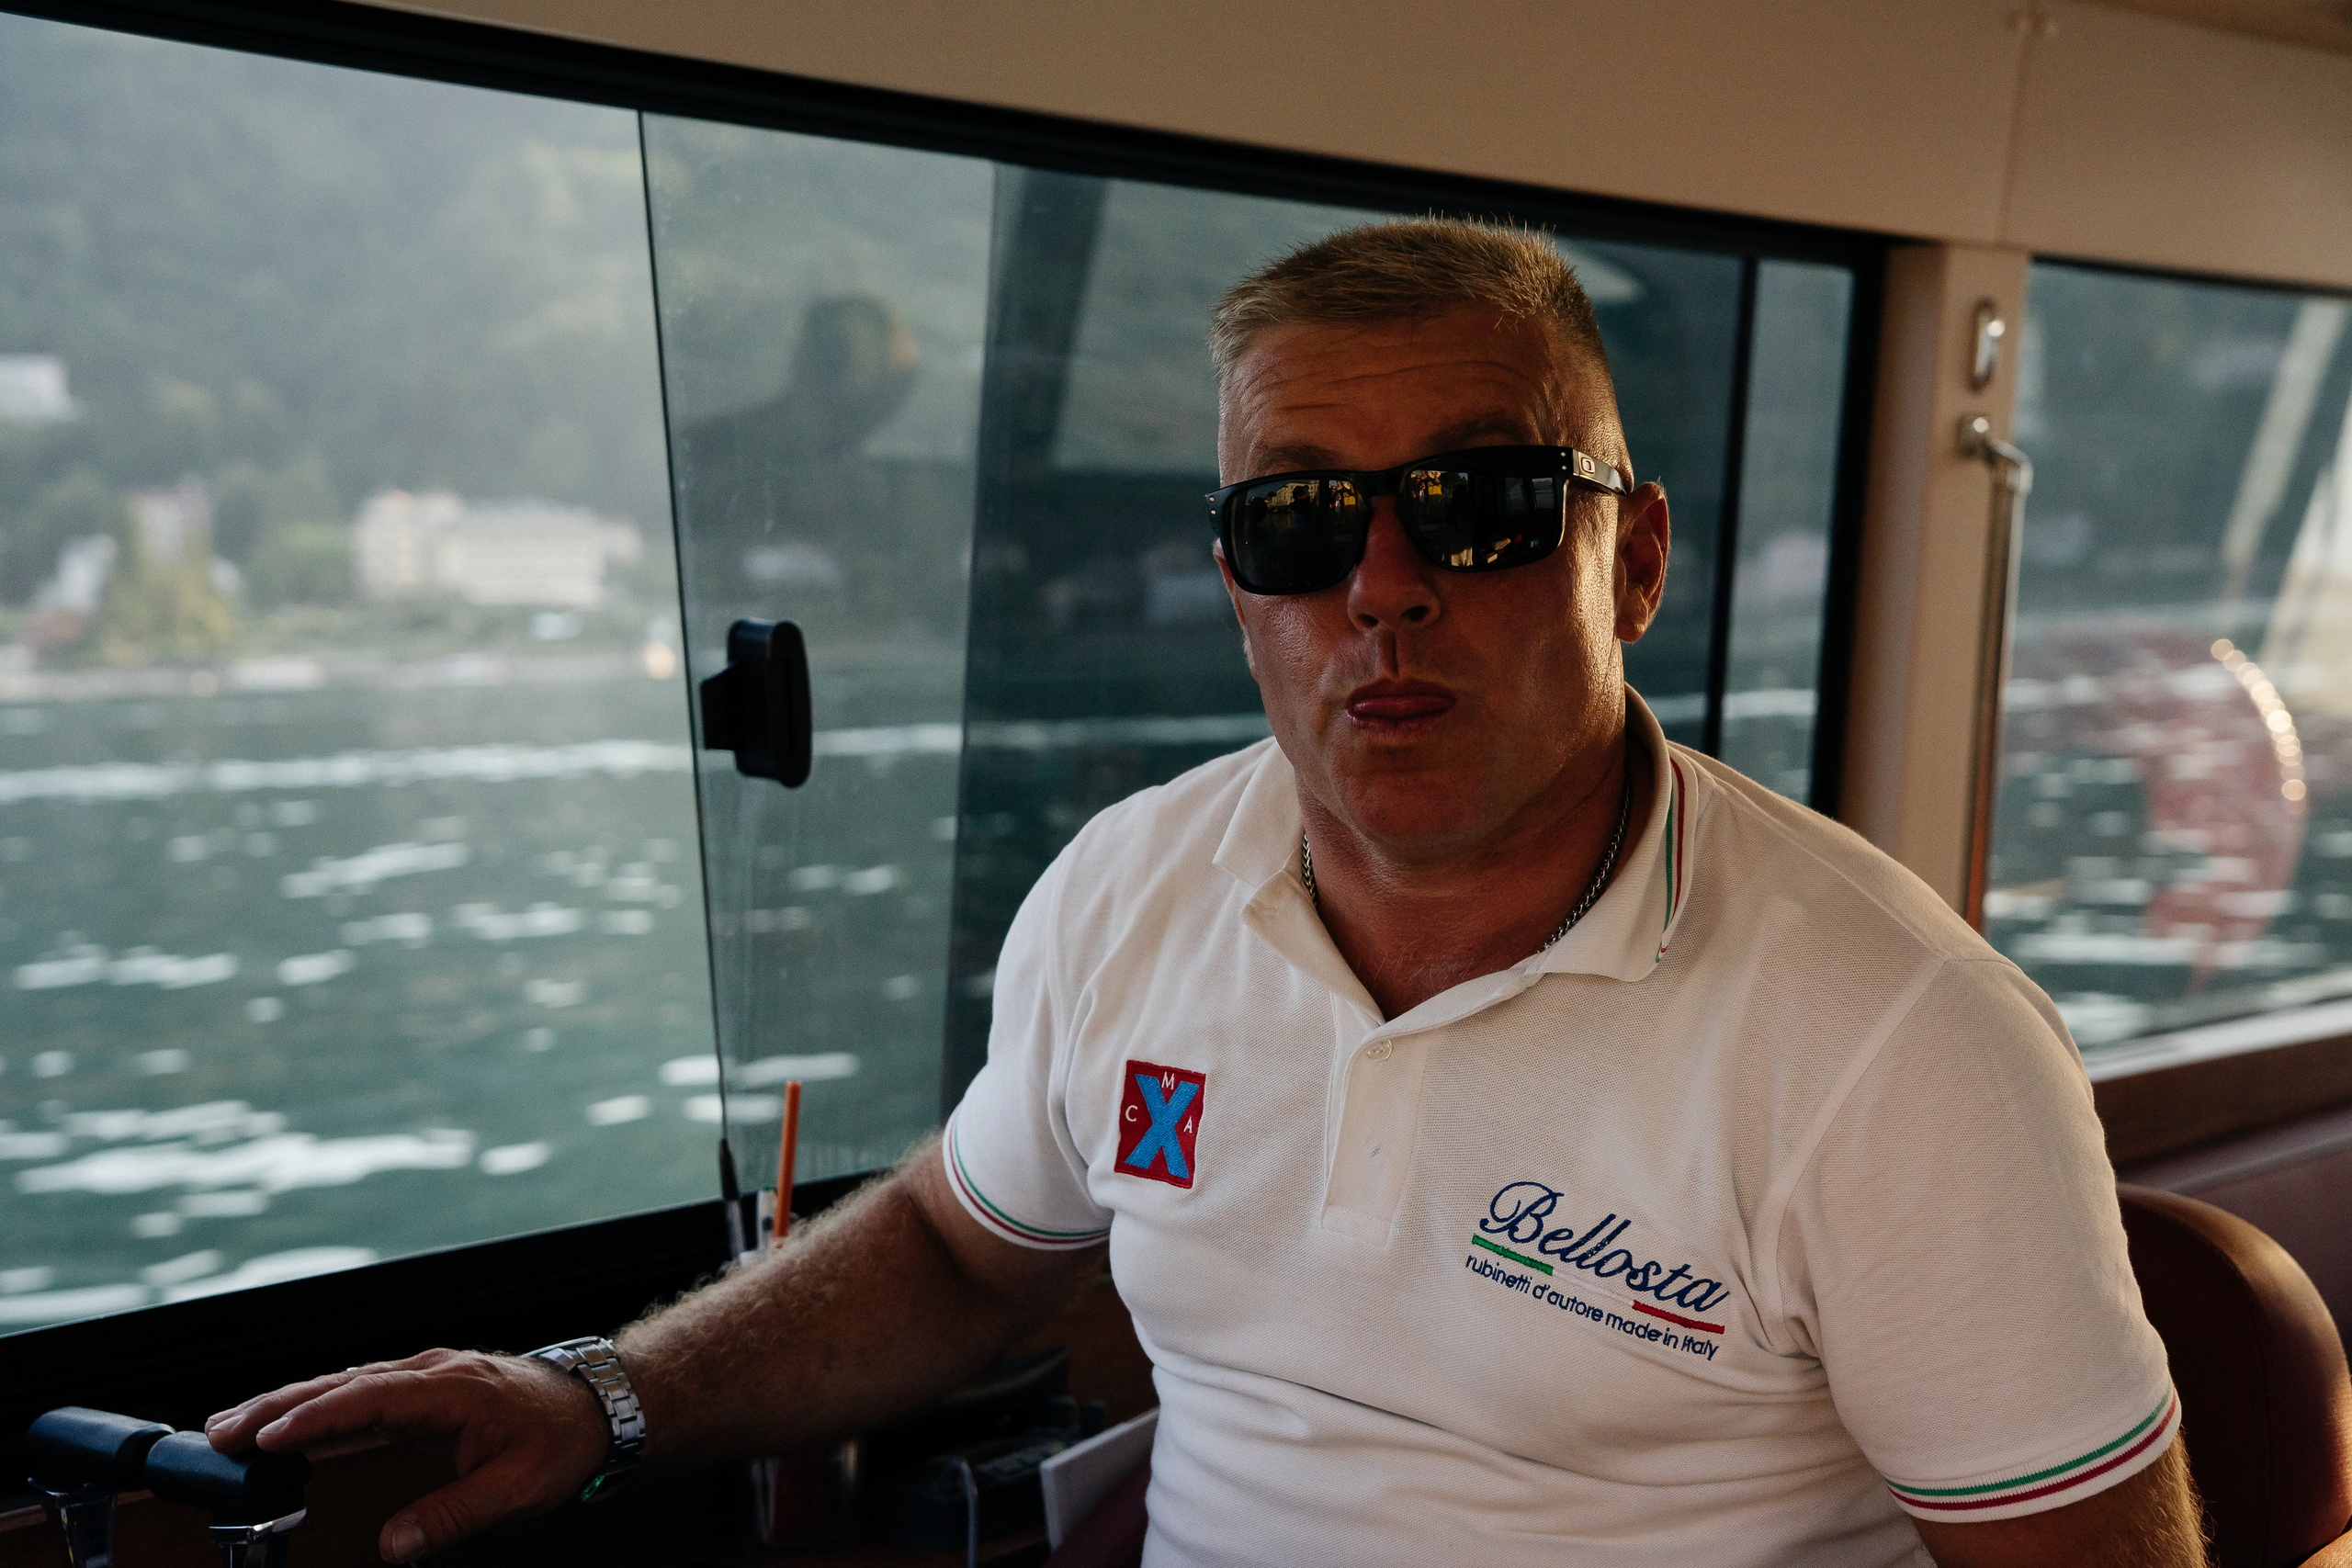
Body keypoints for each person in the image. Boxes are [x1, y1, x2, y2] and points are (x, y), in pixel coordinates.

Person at [206, 220, 2207, 1568]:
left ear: (1634, 560)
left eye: (1486, 505)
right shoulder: (1130, 895)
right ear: (1237, 574)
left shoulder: (1890, 1044)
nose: (1385, 583)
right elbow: (961, 1245)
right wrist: (598, 1395)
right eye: (1299, 517)